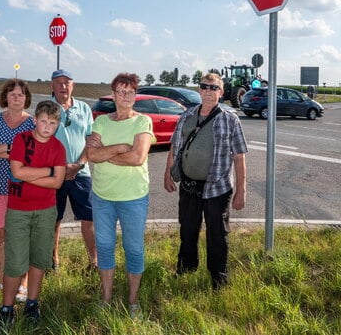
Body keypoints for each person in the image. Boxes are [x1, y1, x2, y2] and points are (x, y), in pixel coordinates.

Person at [163, 72, 247, 290]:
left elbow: (239, 156)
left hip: (217, 188)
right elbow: (175, 146)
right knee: (188, 230)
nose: (209, 91)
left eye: (214, 88)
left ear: (221, 92)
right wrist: (168, 173)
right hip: (189, 185)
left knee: (217, 234)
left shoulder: (230, 119)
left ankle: (219, 279)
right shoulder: (187, 115)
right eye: (205, 87)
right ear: (199, 90)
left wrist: (241, 190)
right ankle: (185, 269)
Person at [85, 73, 154, 318]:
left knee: (133, 248)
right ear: (113, 95)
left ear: (136, 96)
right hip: (103, 196)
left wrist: (104, 153)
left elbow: (138, 158)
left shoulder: (143, 121)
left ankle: (133, 301)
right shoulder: (101, 122)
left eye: (131, 92)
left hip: (133, 197)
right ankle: (106, 298)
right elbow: (90, 156)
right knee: (104, 247)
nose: (126, 96)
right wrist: (119, 148)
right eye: (121, 91)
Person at [0, 101, 66, 330]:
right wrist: (47, 171)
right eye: (43, 121)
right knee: (15, 263)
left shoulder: (58, 148)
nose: (47, 127)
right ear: (35, 120)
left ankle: (32, 303)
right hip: (18, 211)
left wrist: (29, 175)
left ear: (57, 125)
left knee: (39, 259)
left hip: (46, 211)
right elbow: (17, 171)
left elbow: (57, 182)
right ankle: (7, 308)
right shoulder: (21, 140)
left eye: (53, 123)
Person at [0, 79, 34, 299]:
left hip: (25, 187)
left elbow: (32, 156)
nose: (16, 97)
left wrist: (5, 148)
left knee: (24, 236)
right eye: (12, 94)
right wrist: (16, 150)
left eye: (20, 94)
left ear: (26, 98)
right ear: (5, 96)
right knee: (2, 236)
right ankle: (4, 280)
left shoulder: (32, 124)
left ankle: (23, 282)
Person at [49, 69, 97, 270]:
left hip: (81, 173)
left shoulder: (84, 108)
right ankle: (53, 261)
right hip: (54, 174)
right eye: (58, 82)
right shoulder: (46, 109)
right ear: (52, 86)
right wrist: (61, 167)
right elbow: (42, 140)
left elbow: (91, 140)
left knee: (89, 218)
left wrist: (79, 164)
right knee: (54, 220)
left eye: (66, 82)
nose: (63, 86)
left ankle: (94, 262)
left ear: (73, 85)